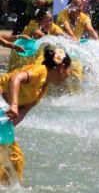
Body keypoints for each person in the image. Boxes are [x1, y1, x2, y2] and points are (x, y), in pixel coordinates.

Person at [0, 46, 73, 184]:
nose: (69, 75)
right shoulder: (39, 71)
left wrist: (8, 128)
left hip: (3, 114)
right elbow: (15, 79)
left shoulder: (42, 90)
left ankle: (6, 186)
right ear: (62, 67)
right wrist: (14, 105)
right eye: (69, 69)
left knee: (16, 159)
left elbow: (23, 111)